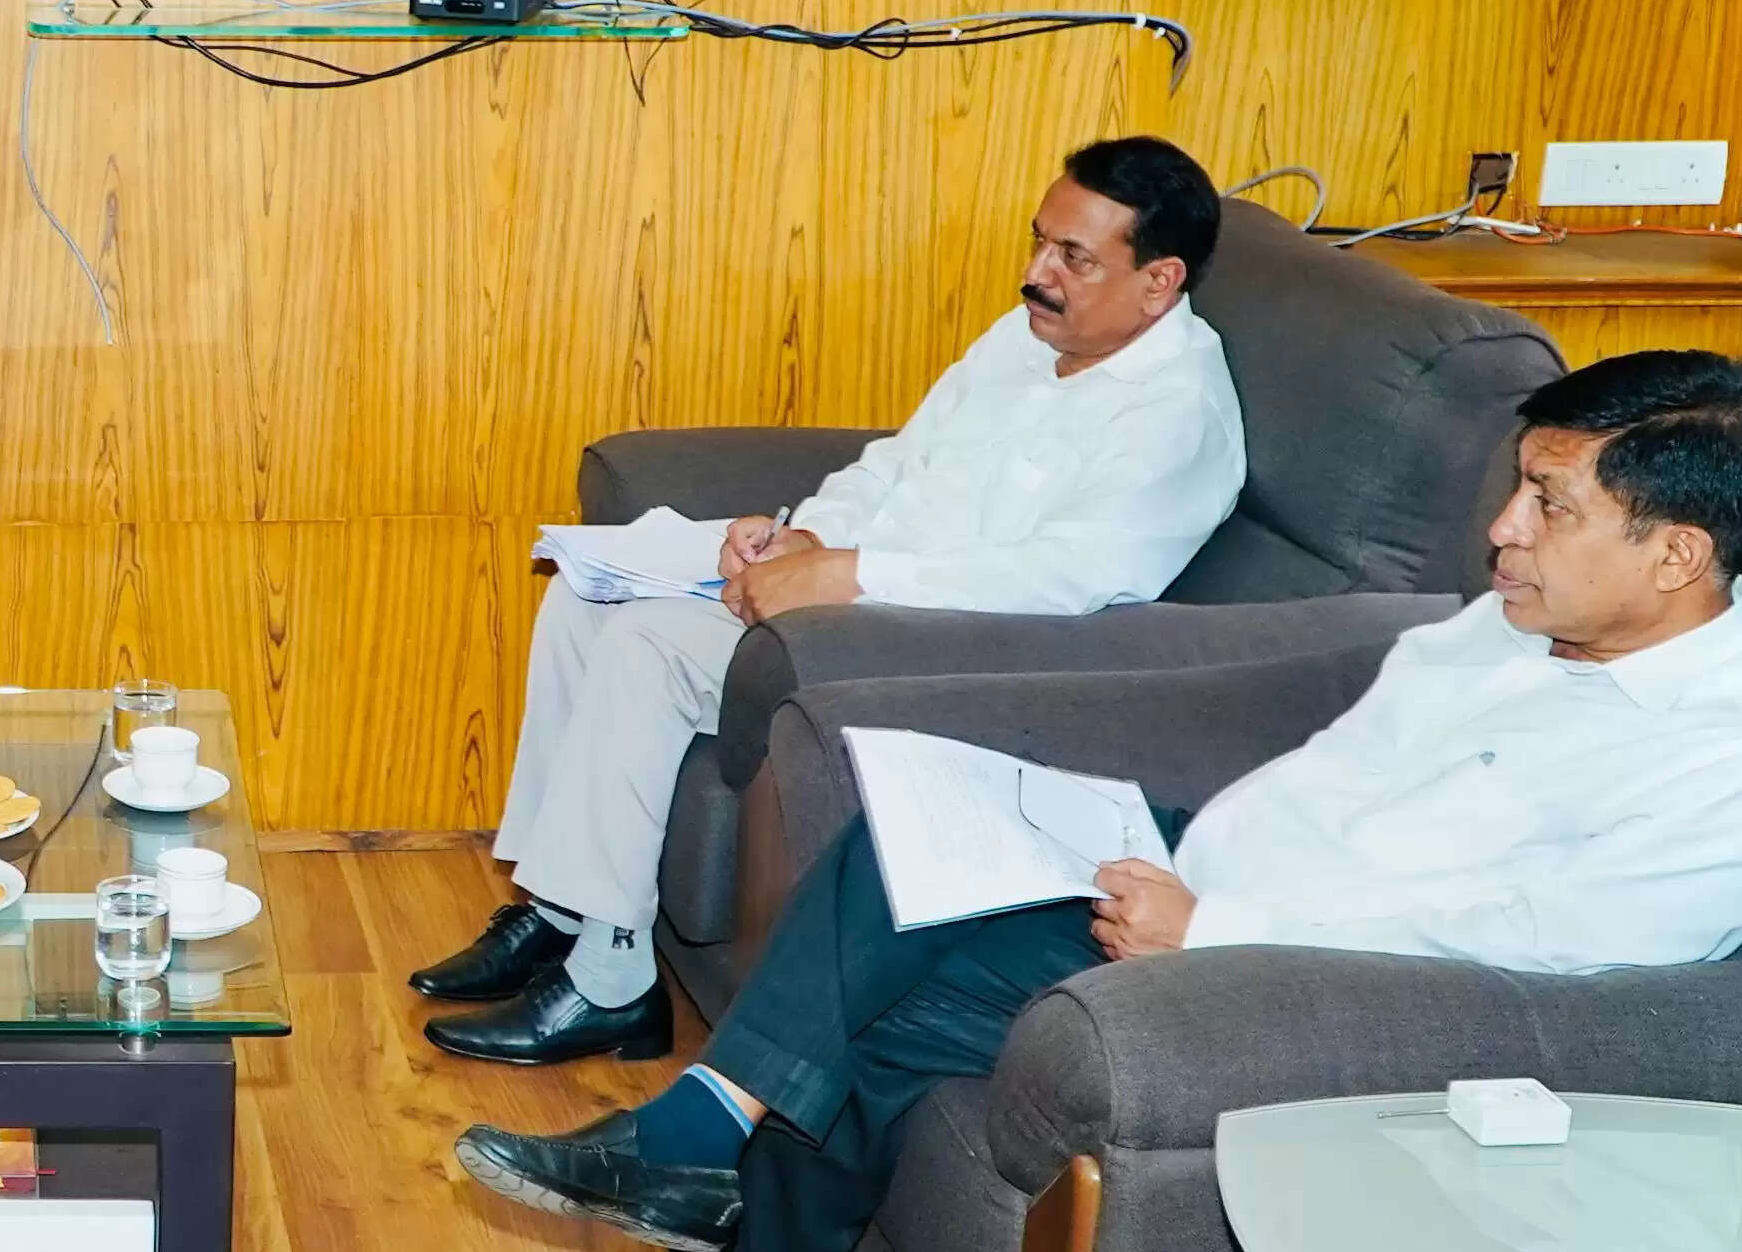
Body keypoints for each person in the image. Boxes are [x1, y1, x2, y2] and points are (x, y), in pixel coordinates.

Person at [457, 351, 1742, 1252]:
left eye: (1549, 504)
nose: (1503, 530)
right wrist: (1161, 850)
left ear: (1674, 553)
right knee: (905, 846)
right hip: (1198, 877)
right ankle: (711, 1191)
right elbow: (1337, 765)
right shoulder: (1521, 624)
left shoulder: (1719, 762)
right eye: (1515, 488)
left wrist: (1214, 927)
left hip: (1285, 988)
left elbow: (1533, 968)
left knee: (881, 999)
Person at [418, 135, 1249, 1068]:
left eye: (1073, 257)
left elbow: (1062, 583)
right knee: (585, 597)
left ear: (1159, 281)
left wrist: (851, 576)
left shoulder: (1176, 416)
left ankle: (612, 983)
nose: (1035, 274)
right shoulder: (1032, 335)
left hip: (948, 652)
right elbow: (898, 460)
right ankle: (566, 912)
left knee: (646, 643)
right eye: (1040, 240)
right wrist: (809, 536)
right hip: (861, 591)